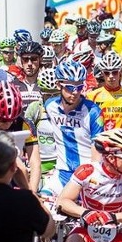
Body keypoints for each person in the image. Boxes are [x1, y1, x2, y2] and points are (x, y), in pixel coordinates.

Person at [41, 60, 104, 196]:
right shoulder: (49, 106)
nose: (75, 92)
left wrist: (93, 178)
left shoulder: (93, 111)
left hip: (87, 175)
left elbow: (97, 149)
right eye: (69, 87)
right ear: (58, 85)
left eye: (80, 87)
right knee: (42, 203)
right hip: (62, 173)